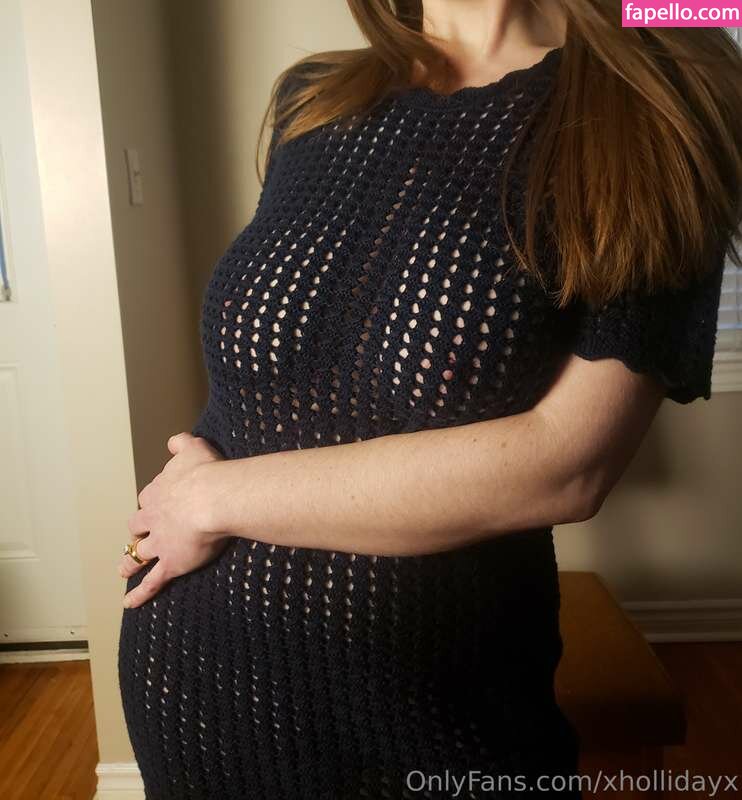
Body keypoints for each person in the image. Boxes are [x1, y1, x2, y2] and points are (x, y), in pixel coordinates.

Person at [117, 1, 742, 798]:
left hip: (431, 715)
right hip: (195, 694)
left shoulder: (660, 102)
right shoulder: (316, 97)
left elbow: (569, 466)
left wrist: (212, 500)